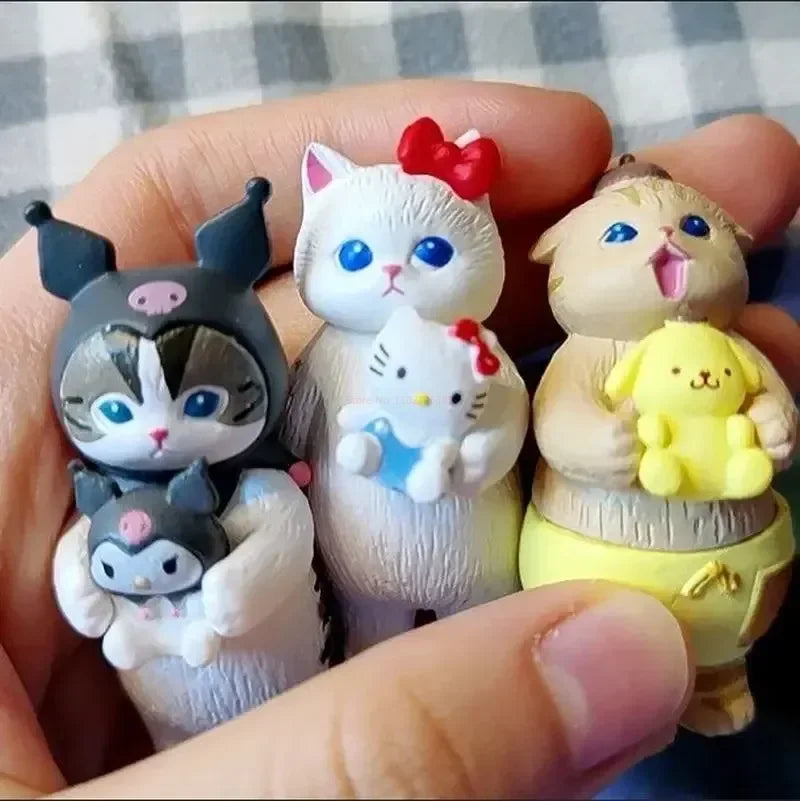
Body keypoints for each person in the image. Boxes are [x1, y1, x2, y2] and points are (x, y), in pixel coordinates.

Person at [0, 78, 798, 799]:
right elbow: (295, 433)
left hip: (476, 543)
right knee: (368, 636)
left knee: (485, 630)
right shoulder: (327, 356)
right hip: (358, 556)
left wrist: (483, 449)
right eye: (355, 255)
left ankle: (516, 685)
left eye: (432, 250)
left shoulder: (481, 349)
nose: (391, 274)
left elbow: (515, 420)